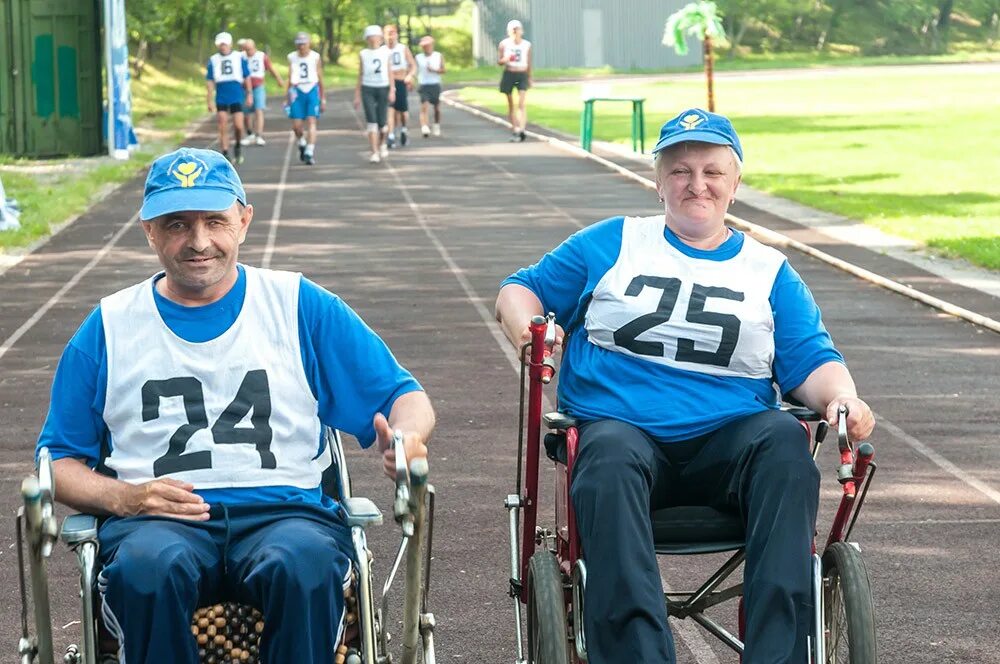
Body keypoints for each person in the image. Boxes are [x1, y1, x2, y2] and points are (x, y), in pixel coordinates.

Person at [494, 108, 876, 663]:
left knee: (785, 443)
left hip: (730, 444)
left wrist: (843, 397)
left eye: (712, 171)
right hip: (622, 434)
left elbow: (812, 361)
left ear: (735, 184)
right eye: (680, 171)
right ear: (658, 182)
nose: (697, 184)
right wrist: (532, 333)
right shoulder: (612, 243)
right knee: (608, 453)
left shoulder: (769, 271)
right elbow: (520, 289)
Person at [36, 147, 435, 664]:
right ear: (149, 231)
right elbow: (56, 464)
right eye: (177, 224)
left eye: (215, 221)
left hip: (285, 513)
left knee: (305, 565)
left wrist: (406, 437)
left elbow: (404, 396)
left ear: (244, 221)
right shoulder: (109, 327)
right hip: (155, 521)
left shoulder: (299, 306)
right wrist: (125, 498)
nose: (199, 241)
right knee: (147, 570)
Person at [206, 32, 252, 164]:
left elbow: (247, 76)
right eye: (221, 44)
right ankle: (225, 152)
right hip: (221, 93)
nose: (223, 47)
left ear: (230, 44)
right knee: (222, 124)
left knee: (238, 125)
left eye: (225, 44)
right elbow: (210, 81)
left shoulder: (239, 57)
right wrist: (209, 100)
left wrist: (249, 94)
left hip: (236, 93)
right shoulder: (213, 59)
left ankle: (237, 145)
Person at [354, 25, 395, 164]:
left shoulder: (386, 52)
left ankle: (382, 143)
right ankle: (374, 151)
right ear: (366, 39)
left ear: (380, 38)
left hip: (383, 87)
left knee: (382, 124)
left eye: (375, 37)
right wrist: (357, 95)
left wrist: (392, 90)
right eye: (370, 37)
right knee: (372, 121)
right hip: (368, 88)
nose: (373, 39)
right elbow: (360, 74)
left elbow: (390, 72)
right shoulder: (363, 53)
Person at [286, 31, 325, 166]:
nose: (302, 46)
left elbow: (320, 77)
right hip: (297, 90)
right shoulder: (291, 57)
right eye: (299, 44)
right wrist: (287, 96)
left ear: (309, 44)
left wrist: (323, 97)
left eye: (304, 44)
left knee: (311, 121)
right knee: (297, 125)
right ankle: (301, 142)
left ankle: (309, 151)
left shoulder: (315, 57)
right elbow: (289, 77)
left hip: (312, 89)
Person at [240, 39, 286, 147]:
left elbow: (271, 68)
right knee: (246, 113)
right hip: (243, 87)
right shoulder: (240, 57)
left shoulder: (261, 56)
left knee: (259, 110)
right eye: (246, 50)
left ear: (254, 47)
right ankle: (250, 134)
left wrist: (279, 79)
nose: (248, 52)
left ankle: (259, 135)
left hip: (258, 86)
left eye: (250, 49)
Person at [497, 19, 531, 142]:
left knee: (521, 103)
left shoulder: (526, 44)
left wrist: (529, 77)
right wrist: (505, 59)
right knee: (511, 104)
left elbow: (529, 61)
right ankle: (515, 129)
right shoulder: (504, 44)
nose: (516, 32)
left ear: (521, 31)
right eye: (513, 30)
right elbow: (499, 61)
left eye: (517, 29)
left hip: (521, 74)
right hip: (509, 73)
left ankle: (522, 129)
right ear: (509, 31)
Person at [383, 24, 417, 149]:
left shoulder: (403, 48)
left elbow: (413, 65)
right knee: (390, 109)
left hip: (401, 81)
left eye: (392, 33)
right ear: (384, 35)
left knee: (402, 111)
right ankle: (391, 136)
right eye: (388, 33)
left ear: (396, 34)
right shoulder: (381, 51)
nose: (390, 36)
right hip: (387, 83)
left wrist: (410, 76)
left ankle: (403, 129)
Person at [415, 35, 445, 138]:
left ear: (432, 45)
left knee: (437, 108)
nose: (426, 48)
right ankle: (424, 126)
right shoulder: (418, 57)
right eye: (424, 46)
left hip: (435, 84)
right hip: (423, 84)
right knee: (424, 105)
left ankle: (436, 125)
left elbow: (443, 70)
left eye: (428, 45)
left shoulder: (438, 56)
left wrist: (434, 70)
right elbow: (414, 70)